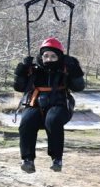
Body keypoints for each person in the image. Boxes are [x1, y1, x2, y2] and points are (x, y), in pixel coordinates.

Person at [13, 37, 86, 173]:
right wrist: (21, 71)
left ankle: (56, 158)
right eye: (46, 56)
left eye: (53, 56)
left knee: (53, 120)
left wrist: (74, 69)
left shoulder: (65, 69)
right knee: (26, 122)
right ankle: (27, 159)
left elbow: (78, 87)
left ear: (59, 57)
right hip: (36, 104)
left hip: (59, 105)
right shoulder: (34, 69)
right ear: (41, 56)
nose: (49, 59)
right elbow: (19, 87)